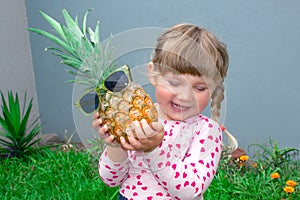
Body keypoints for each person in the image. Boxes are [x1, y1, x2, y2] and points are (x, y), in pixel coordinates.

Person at [92, 23, 238, 200]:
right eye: (174, 83)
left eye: (199, 88)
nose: (185, 96)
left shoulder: (207, 131)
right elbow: (111, 179)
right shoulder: (136, 117)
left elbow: (190, 190)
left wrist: (154, 149)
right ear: (154, 74)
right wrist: (116, 146)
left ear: (214, 88)